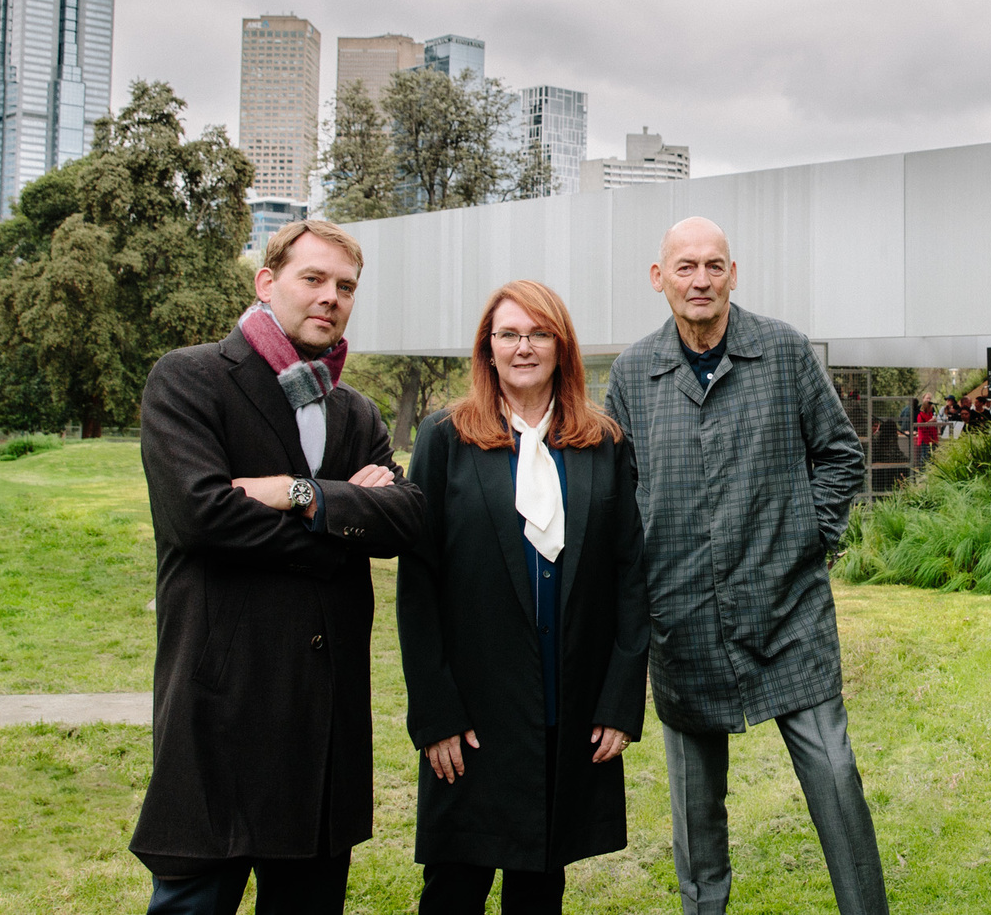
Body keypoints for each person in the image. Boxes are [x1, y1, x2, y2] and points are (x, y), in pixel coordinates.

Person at [131, 220, 426, 915]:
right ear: (267, 283)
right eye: (313, 279)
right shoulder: (190, 378)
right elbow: (199, 515)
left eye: (345, 286)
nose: (331, 297)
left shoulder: (355, 409)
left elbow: (407, 517)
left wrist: (301, 496)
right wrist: (343, 526)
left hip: (322, 724)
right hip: (221, 710)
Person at [605, 217, 888, 915]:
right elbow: (616, 492)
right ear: (659, 277)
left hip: (789, 617)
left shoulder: (784, 351)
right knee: (696, 816)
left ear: (734, 273)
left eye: (713, 266)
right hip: (683, 624)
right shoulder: (633, 374)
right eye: (685, 267)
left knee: (835, 777)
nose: (700, 280)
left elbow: (840, 454)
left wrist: (808, 541)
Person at [397, 280, 648, 914]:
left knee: (539, 889)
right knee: (454, 890)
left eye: (539, 334)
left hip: (566, 709)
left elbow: (629, 575)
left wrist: (620, 701)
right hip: (473, 716)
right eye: (509, 334)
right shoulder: (445, 439)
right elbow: (418, 584)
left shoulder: (604, 443)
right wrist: (435, 712)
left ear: (562, 347)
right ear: (488, 347)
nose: (524, 347)